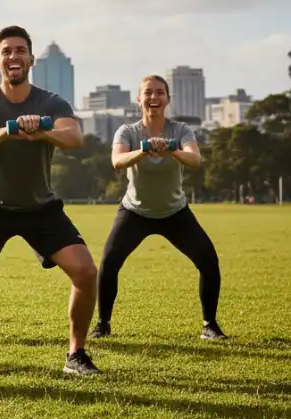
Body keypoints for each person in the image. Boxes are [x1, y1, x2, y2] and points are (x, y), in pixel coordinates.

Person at [0, 26, 102, 376]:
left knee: (86, 271)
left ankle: (76, 355)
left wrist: (40, 132)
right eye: (7, 52)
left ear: (31, 59)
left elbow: (74, 136)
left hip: (40, 207)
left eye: (20, 51)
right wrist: (9, 130)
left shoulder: (51, 101)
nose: (14, 57)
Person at [92, 75, 227, 340]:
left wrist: (171, 150)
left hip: (174, 212)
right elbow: (118, 161)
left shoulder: (180, 130)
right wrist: (143, 150)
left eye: (159, 93)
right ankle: (102, 324)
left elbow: (195, 159)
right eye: (148, 93)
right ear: (139, 99)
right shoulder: (127, 132)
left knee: (209, 262)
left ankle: (209, 325)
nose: (153, 98)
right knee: (109, 263)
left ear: (167, 99)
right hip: (134, 211)